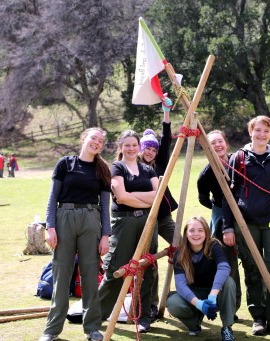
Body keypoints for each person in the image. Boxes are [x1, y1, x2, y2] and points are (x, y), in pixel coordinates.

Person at [221, 115, 270, 337]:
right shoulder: (239, 158)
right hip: (246, 226)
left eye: (266, 131)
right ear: (250, 131)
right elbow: (228, 196)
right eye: (258, 130)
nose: (261, 134)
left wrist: (269, 204)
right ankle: (259, 318)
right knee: (253, 271)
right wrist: (228, 227)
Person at [40, 127, 111, 341]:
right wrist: (50, 227)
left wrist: (106, 234)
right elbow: (53, 198)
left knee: (90, 274)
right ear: (83, 139)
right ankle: (52, 330)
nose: (96, 143)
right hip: (64, 218)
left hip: (91, 220)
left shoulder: (103, 170)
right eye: (93, 138)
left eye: (100, 141)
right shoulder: (65, 164)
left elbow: (105, 205)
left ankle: (92, 328)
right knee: (61, 274)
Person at [98, 130, 159, 333]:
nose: (132, 149)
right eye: (128, 145)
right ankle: (96, 314)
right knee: (116, 267)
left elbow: (157, 197)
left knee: (146, 268)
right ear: (120, 148)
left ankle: (142, 318)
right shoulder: (116, 167)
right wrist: (142, 199)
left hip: (148, 223)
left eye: (135, 145)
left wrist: (132, 196)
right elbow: (121, 198)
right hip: (124, 223)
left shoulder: (147, 169)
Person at [138, 98, 179, 320]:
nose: (151, 152)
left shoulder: (161, 162)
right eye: (147, 148)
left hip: (163, 217)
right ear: (140, 150)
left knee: (181, 246)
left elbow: (166, 140)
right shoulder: (134, 168)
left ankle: (184, 296)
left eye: (153, 149)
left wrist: (166, 113)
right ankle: (151, 304)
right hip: (146, 221)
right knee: (150, 261)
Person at [166, 216, 236, 341]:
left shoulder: (214, 246)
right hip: (193, 294)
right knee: (173, 303)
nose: (196, 234)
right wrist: (199, 304)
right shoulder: (180, 253)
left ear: (206, 233)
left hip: (214, 293)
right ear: (186, 234)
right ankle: (194, 324)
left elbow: (224, 268)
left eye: (200, 230)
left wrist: (213, 296)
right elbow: (180, 285)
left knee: (229, 282)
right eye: (192, 230)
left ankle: (227, 327)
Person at [196, 130, 241, 315]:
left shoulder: (239, 163)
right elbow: (203, 198)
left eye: (220, 141)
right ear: (207, 147)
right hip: (221, 216)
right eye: (212, 143)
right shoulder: (206, 174)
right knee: (227, 264)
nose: (217, 146)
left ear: (226, 143)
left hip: (244, 214)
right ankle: (232, 308)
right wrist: (218, 209)